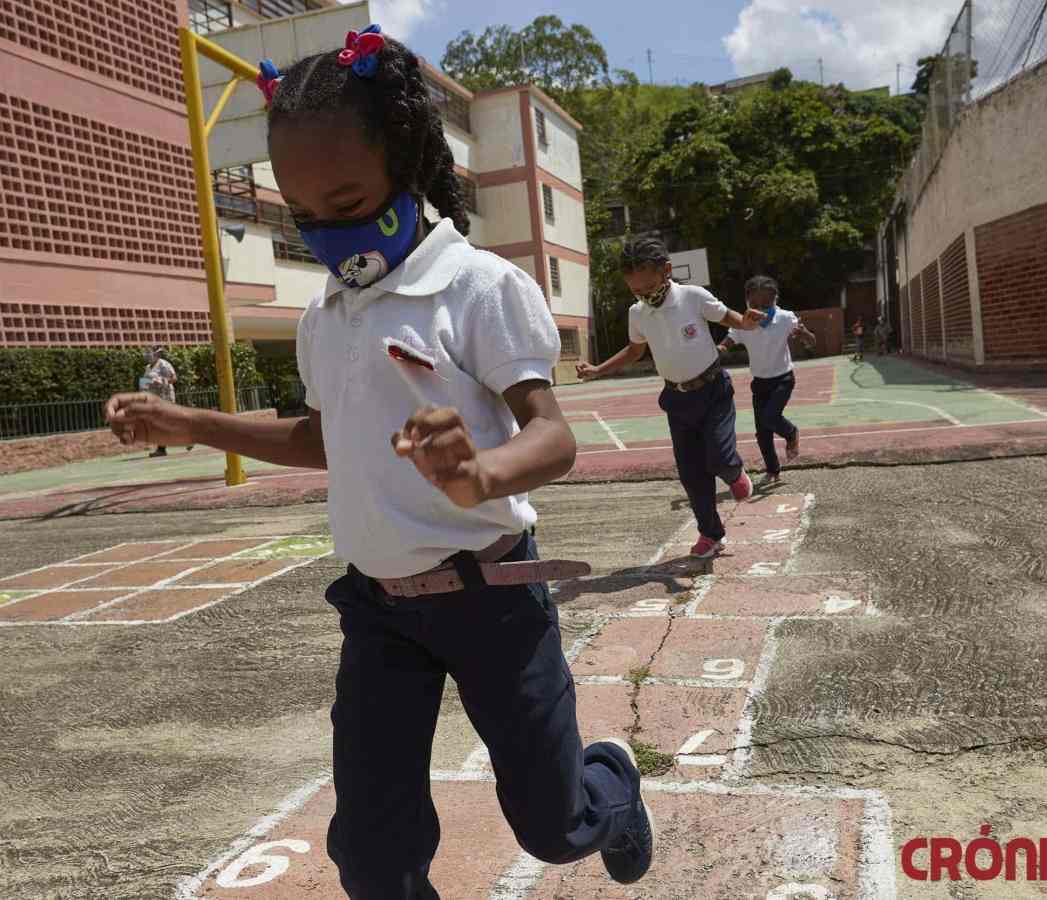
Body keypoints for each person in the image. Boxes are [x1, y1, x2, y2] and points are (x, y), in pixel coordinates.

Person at [106, 26, 654, 899]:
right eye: (303, 216)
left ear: (406, 167)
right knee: (371, 857)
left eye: (349, 202)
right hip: (378, 608)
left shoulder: (478, 286)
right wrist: (189, 421)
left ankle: (613, 792)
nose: (327, 233)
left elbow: (553, 436)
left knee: (555, 829)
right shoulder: (327, 317)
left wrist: (478, 475)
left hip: (492, 598)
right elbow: (319, 443)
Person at [576, 235, 764, 559]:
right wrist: (598, 370)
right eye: (637, 291)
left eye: (649, 288)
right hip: (677, 401)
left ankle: (734, 472)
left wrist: (744, 323)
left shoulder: (692, 297)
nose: (645, 296)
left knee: (718, 457)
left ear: (666, 270)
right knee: (691, 474)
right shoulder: (638, 314)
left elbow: (725, 316)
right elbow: (635, 351)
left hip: (713, 390)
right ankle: (711, 533)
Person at [717, 276, 806, 489]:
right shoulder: (744, 323)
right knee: (762, 432)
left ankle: (791, 433)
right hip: (760, 383)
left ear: (775, 300)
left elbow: (810, 339)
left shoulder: (785, 318)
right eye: (754, 305)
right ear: (747, 302)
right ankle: (773, 470)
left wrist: (803, 334)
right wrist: (721, 348)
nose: (760, 310)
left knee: (770, 417)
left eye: (766, 305)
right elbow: (730, 339)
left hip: (783, 378)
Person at [140, 346, 180, 457]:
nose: (147, 355)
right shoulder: (148, 367)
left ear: (156, 354)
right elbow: (145, 383)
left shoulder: (163, 364)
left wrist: (162, 381)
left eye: (150, 353)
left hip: (165, 397)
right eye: (146, 353)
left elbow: (174, 378)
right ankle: (161, 449)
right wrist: (145, 385)